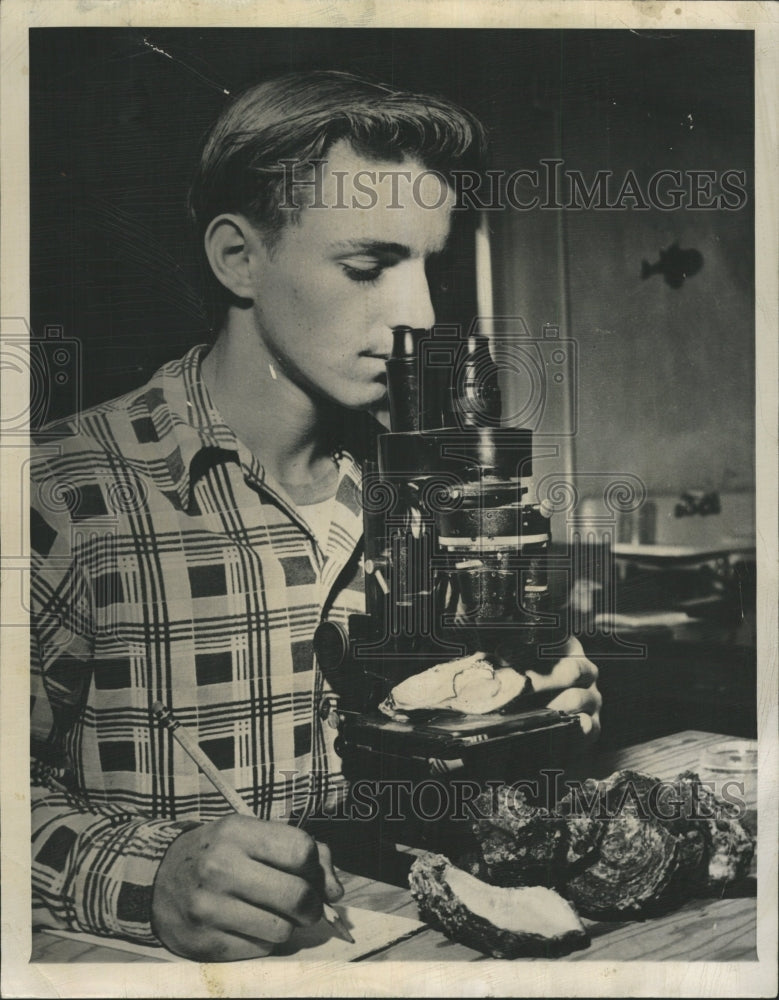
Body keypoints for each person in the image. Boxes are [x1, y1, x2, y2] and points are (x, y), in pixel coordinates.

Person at [30, 70, 601, 962]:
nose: (417, 316)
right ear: (237, 259)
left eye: (430, 268)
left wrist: (535, 705)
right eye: (368, 267)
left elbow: (451, 750)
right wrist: (150, 875)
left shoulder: (427, 488)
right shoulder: (63, 492)